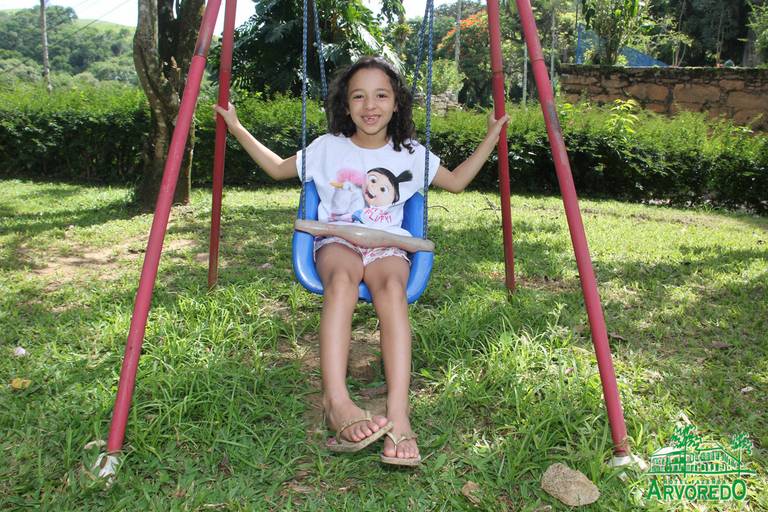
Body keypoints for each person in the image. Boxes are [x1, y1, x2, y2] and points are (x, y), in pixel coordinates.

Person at [214, 56, 508, 466]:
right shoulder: (327, 147)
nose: (370, 106)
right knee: (341, 281)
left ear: (396, 103)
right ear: (345, 104)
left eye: (381, 95)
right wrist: (236, 127)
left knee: (392, 289)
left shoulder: (411, 154)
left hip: (388, 245)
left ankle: (399, 413)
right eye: (359, 96)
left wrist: (492, 135)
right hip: (337, 239)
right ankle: (336, 401)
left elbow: (457, 181)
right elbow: (278, 169)